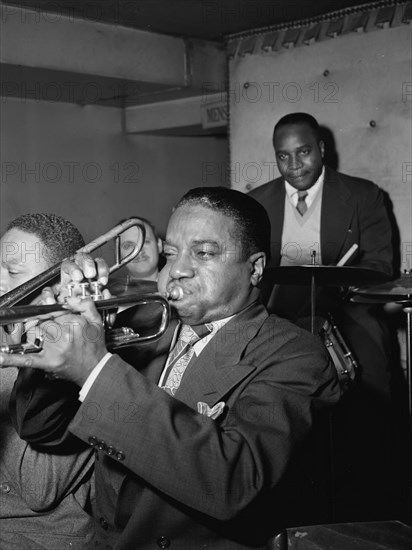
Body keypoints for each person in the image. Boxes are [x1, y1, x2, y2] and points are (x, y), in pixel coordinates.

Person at [2, 188, 340, 549]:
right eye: (170, 254)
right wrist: (61, 335)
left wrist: (95, 370)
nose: (176, 270)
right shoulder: (143, 323)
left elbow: (235, 481)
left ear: (255, 268)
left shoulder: (296, 355)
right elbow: (40, 429)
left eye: (204, 253)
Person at [248, 112, 401, 520]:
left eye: (303, 153)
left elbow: (382, 265)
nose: (295, 166)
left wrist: (336, 282)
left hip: (344, 306)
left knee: (370, 379)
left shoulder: (364, 195)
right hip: (278, 311)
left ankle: (369, 496)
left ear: (322, 150)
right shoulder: (257, 202)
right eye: (284, 157)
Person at [0, 213, 95, 549]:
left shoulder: (77, 357)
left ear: (55, 286)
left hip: (42, 538)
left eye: (12, 272)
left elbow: (40, 490)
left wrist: (9, 368)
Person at [118, 217, 163, 283]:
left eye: (145, 242)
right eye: (128, 246)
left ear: (159, 245)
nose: (139, 251)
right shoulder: (109, 292)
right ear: (118, 255)